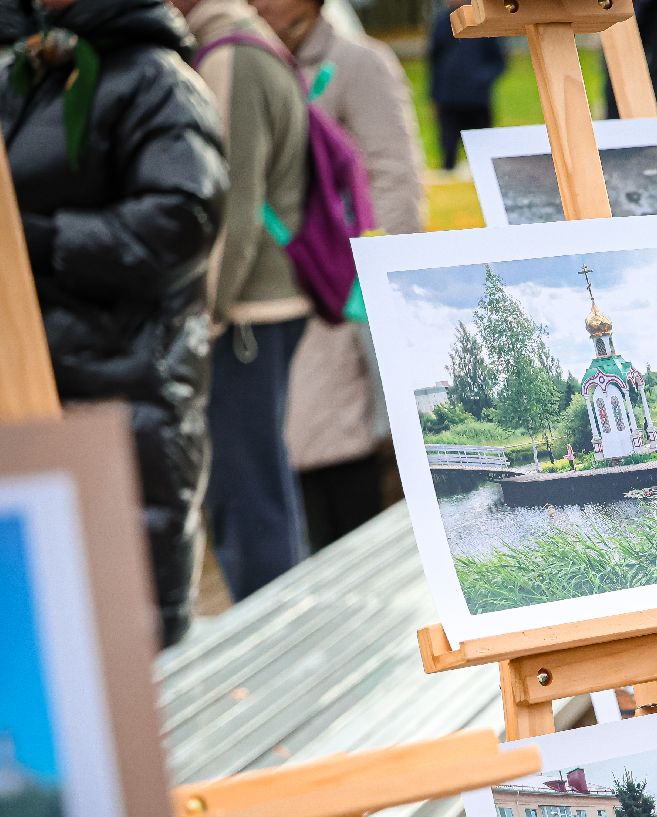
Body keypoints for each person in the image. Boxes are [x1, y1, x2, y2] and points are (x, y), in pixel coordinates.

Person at [2, 0, 226, 648]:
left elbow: (181, 221)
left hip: (130, 390)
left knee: (133, 629)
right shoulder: (24, 73)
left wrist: (40, 242)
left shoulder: (159, 82)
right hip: (30, 388)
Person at [248, 0, 424, 551]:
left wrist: (364, 278)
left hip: (340, 298)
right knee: (292, 457)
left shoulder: (357, 63)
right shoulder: (247, 61)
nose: (258, 3)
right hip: (274, 294)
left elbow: (394, 179)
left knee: (346, 452)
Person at [173, 0, 310, 602]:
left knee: (246, 495)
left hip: (245, 312)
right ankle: (284, 623)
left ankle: (277, 636)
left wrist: (205, 311)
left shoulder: (230, 53)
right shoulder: (243, 41)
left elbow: (232, 202)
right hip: (260, 305)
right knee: (255, 486)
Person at [426, 0, 503, 172]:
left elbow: (498, 60)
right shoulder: (441, 23)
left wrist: (479, 80)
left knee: (483, 151)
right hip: (448, 99)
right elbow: (433, 63)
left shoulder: (483, 20)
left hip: (476, 101)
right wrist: (434, 95)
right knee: (448, 149)